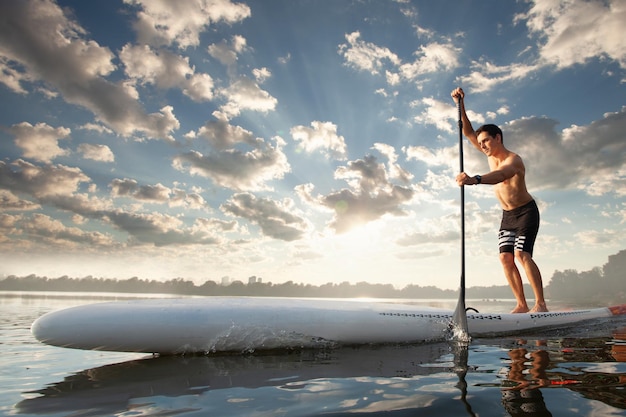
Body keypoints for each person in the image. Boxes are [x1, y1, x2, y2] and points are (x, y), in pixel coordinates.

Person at [451, 87, 548, 313]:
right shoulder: (489, 153)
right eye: (481, 143)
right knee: (505, 258)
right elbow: (467, 132)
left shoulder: (513, 160)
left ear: (498, 138)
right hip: (507, 216)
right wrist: (460, 104)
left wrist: (475, 179)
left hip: (526, 212)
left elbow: (501, 176)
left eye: (486, 141)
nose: (482, 146)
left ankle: (540, 304)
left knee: (522, 255)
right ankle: (522, 305)